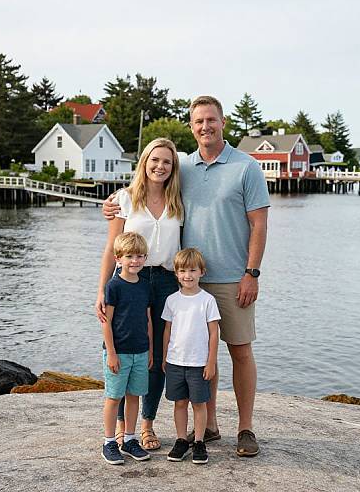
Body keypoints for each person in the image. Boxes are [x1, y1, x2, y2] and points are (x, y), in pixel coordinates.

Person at [103, 95, 269, 457]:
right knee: (191, 353)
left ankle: (245, 429)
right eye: (198, 122)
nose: (205, 127)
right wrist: (113, 204)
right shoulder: (185, 167)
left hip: (230, 277)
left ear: (222, 122)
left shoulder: (246, 167)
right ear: (192, 127)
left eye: (211, 120)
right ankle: (207, 425)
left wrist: (251, 273)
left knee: (239, 350)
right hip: (185, 279)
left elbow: (259, 224)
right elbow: (144, 188)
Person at [96, 137, 183, 451]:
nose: (160, 167)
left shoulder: (178, 201)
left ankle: (146, 425)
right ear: (144, 163)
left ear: (174, 168)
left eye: (167, 162)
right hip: (129, 279)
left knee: (156, 357)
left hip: (166, 282)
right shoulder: (125, 199)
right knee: (123, 348)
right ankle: (123, 427)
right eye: (154, 160)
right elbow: (111, 248)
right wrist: (102, 291)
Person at [162, 248, 219, 465]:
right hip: (176, 362)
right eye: (183, 271)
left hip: (198, 363)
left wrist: (211, 361)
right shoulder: (172, 300)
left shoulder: (207, 300)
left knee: (199, 404)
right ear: (176, 273)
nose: (188, 275)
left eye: (193, 270)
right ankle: (180, 440)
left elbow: (214, 332)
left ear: (201, 272)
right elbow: (167, 330)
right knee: (179, 403)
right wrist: (165, 356)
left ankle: (199, 442)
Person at [101, 232, 153, 465]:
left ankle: (130, 439)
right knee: (114, 397)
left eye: (140, 256)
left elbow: (148, 318)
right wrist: (111, 352)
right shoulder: (114, 286)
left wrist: (150, 350)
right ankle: (109, 442)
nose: (135, 261)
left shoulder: (145, 285)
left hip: (141, 351)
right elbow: (107, 322)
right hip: (119, 352)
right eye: (129, 256)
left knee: (135, 396)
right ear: (118, 258)